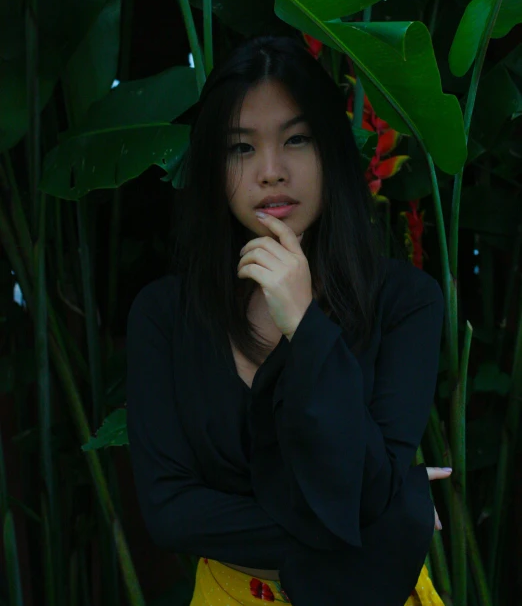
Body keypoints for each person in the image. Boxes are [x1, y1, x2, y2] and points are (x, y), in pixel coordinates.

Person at [126, 35, 452, 605]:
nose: (271, 172)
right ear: (213, 165)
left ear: (330, 151)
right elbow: (171, 513)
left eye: (296, 140)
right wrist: (388, 518)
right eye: (241, 149)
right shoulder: (164, 315)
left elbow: (370, 486)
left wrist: (304, 324)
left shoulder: (406, 302)